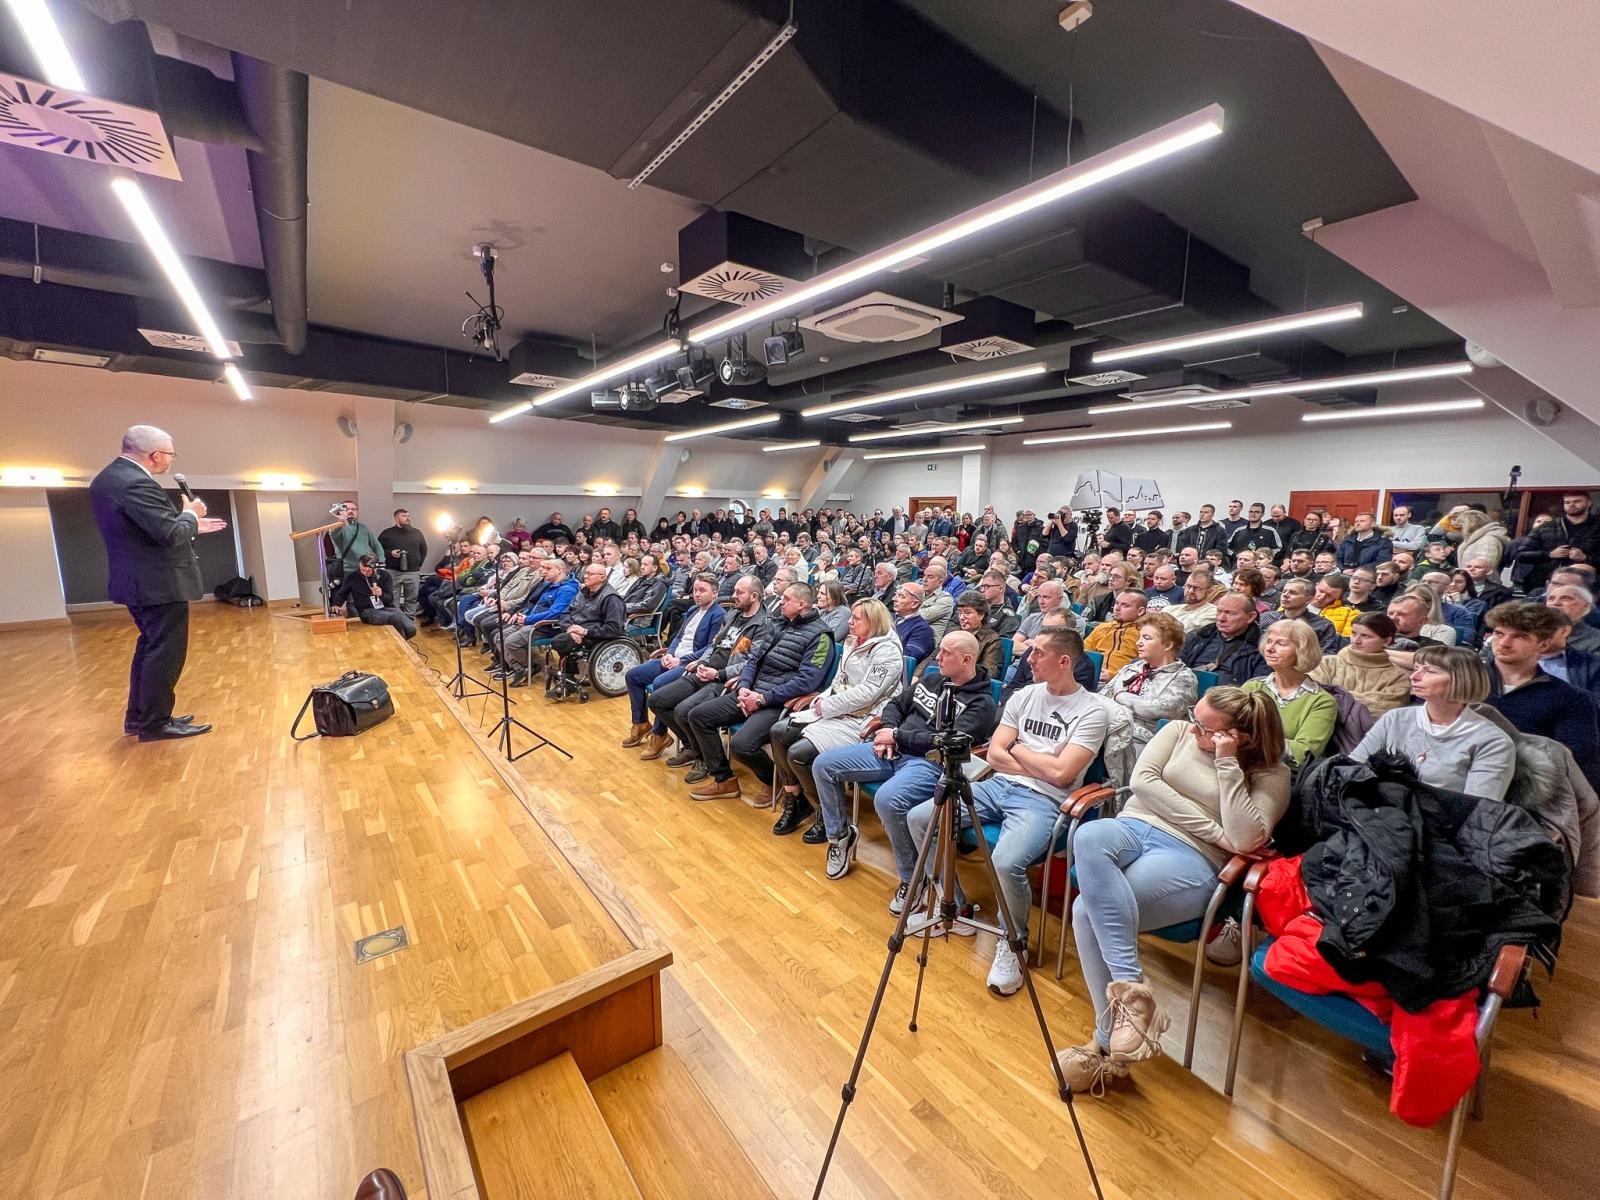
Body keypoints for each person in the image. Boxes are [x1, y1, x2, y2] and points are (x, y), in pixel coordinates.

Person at [1059, 688, 1289, 1093]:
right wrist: (1216, 830)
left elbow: (1247, 835)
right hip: (1131, 829)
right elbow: (1143, 783)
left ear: (1241, 738)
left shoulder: (1270, 773)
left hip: (1191, 858)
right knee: (1091, 834)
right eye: (1194, 716)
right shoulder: (1180, 731)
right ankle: (1134, 997)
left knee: (1084, 914)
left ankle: (1108, 1039)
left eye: (1206, 727)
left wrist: (1226, 764)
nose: (1192, 726)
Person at [908, 626, 1109, 997]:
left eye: (1038, 654)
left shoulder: (1094, 710)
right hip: (998, 785)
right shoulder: (1026, 695)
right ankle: (957, 907)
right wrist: (1034, 759)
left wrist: (1018, 749)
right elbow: (998, 753)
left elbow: (1063, 774)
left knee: (1006, 861)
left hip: (1047, 800)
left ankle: (1012, 942)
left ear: (1063, 661)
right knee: (919, 818)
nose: (1027, 659)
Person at [811, 632, 999, 913]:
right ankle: (840, 837)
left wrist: (896, 735)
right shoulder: (934, 679)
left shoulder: (981, 704)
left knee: (888, 800)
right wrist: (887, 729)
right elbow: (896, 705)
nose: (937, 657)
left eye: (946, 653)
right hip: (891, 748)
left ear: (967, 659)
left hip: (928, 762)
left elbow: (942, 740)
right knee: (824, 765)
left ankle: (913, 879)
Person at [88, 424, 227, 741]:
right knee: (165, 653)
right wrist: (190, 514)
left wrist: (191, 525)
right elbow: (168, 534)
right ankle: (155, 722)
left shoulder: (110, 478)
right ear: (154, 455)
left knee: (151, 648)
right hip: (157, 583)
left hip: (141, 581)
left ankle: (140, 717)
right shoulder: (136, 483)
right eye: (169, 454)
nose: (170, 461)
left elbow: (153, 529)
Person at [769, 600, 906, 854]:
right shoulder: (854, 641)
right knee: (778, 732)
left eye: (856, 618)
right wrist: (823, 698)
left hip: (862, 718)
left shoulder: (887, 651)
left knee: (798, 755)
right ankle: (796, 800)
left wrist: (827, 705)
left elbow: (867, 694)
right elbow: (839, 681)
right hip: (837, 708)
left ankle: (826, 813)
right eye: (850, 617)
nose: (849, 623)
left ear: (873, 622)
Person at [684, 582, 833, 803]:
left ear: (802, 604)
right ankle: (724, 779)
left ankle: (776, 780)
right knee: (698, 716)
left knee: (741, 746)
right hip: (750, 692)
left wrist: (762, 698)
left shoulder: (821, 636)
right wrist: (744, 686)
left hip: (778, 702)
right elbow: (753, 659)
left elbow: (807, 682)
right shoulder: (777, 625)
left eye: (786, 599)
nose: (780, 602)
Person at [1349, 645, 1515, 800]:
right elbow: (1350, 768)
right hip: (1375, 815)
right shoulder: (1395, 718)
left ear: (1461, 679)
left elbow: (1478, 811)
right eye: (1415, 669)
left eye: (1429, 671)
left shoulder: (1493, 741)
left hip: (1442, 826)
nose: (1414, 677)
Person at [1484, 602, 1600, 788]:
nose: (1504, 643)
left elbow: (1580, 765)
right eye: (1499, 634)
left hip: (1529, 791)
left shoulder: (1572, 698)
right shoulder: (1461, 682)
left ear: (1543, 644)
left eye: (1520, 637)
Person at [622, 572, 724, 753]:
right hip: (673, 658)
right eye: (695, 590)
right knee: (633, 675)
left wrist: (680, 660)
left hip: (690, 664)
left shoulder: (718, 615)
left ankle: (659, 734)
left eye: (703, 590)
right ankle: (640, 723)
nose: (697, 594)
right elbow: (678, 637)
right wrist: (669, 653)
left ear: (714, 593)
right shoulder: (692, 610)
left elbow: (710, 647)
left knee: (660, 683)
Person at [1242, 620, 1335, 764]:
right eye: (1269, 641)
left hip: (1284, 772)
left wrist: (1249, 739)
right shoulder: (1252, 687)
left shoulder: (1322, 701)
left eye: (1281, 643)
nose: (1270, 649)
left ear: (1302, 650)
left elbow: (1303, 752)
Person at [1103, 613, 1199, 746]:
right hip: (1111, 726)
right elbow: (1102, 697)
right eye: (1140, 637)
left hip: (1146, 740)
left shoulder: (1183, 677)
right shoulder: (1131, 668)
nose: (1138, 642)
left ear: (1167, 646)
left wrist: (1122, 696)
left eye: (1147, 638)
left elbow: (1164, 710)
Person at [1310, 612, 1412, 716]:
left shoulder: (1398, 678)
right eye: (1354, 633)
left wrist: (1334, 697)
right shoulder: (1326, 664)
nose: (1356, 641)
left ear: (1386, 641)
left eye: (1365, 636)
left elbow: (1386, 709)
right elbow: (1310, 696)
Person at [1180, 592, 1269, 686]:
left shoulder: (1263, 649)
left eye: (1230, 613)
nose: (1221, 618)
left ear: (1250, 617)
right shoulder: (1198, 637)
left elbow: (1256, 689)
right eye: (1219, 611)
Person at [333, 554, 417, 639]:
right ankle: (400, 647)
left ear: (376, 568)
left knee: (411, 630)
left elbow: (389, 599)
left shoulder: (385, 576)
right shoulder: (352, 577)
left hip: (386, 607)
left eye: (368, 571)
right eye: (362, 570)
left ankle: (399, 644)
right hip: (367, 610)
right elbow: (342, 593)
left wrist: (381, 594)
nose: (365, 573)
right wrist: (336, 604)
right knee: (395, 619)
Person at [1085, 588, 1146, 681]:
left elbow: (1146, 666)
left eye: (1125, 606)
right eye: (1117, 603)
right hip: (1092, 678)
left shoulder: (1144, 634)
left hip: (1124, 683)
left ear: (1140, 611)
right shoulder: (1102, 628)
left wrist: (1113, 676)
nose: (1117, 608)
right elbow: (1083, 653)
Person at [378, 508, 428, 616]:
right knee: (392, 597)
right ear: (396, 518)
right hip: (392, 571)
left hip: (412, 572)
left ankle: (409, 621)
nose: (407, 518)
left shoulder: (417, 533)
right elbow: (378, 550)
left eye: (408, 516)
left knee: (412, 598)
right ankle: (396, 621)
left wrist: (418, 564)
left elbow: (424, 550)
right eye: (404, 516)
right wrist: (390, 553)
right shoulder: (387, 533)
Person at [324, 500, 385, 588]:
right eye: (346, 509)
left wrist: (381, 562)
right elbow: (333, 533)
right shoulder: (336, 528)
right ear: (340, 511)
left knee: (367, 598)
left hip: (366, 570)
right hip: (347, 572)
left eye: (354, 509)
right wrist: (340, 521)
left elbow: (376, 545)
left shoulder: (363, 528)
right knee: (352, 600)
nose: (350, 511)